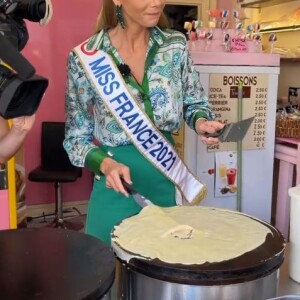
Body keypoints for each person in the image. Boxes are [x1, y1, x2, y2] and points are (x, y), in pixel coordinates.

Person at [64, 0, 224, 246]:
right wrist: (104, 164)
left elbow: (194, 102)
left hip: (164, 183)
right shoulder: (87, 57)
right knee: (111, 274)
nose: (157, 2)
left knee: (164, 275)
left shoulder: (175, 47)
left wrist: (201, 121)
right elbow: (76, 139)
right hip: (115, 188)